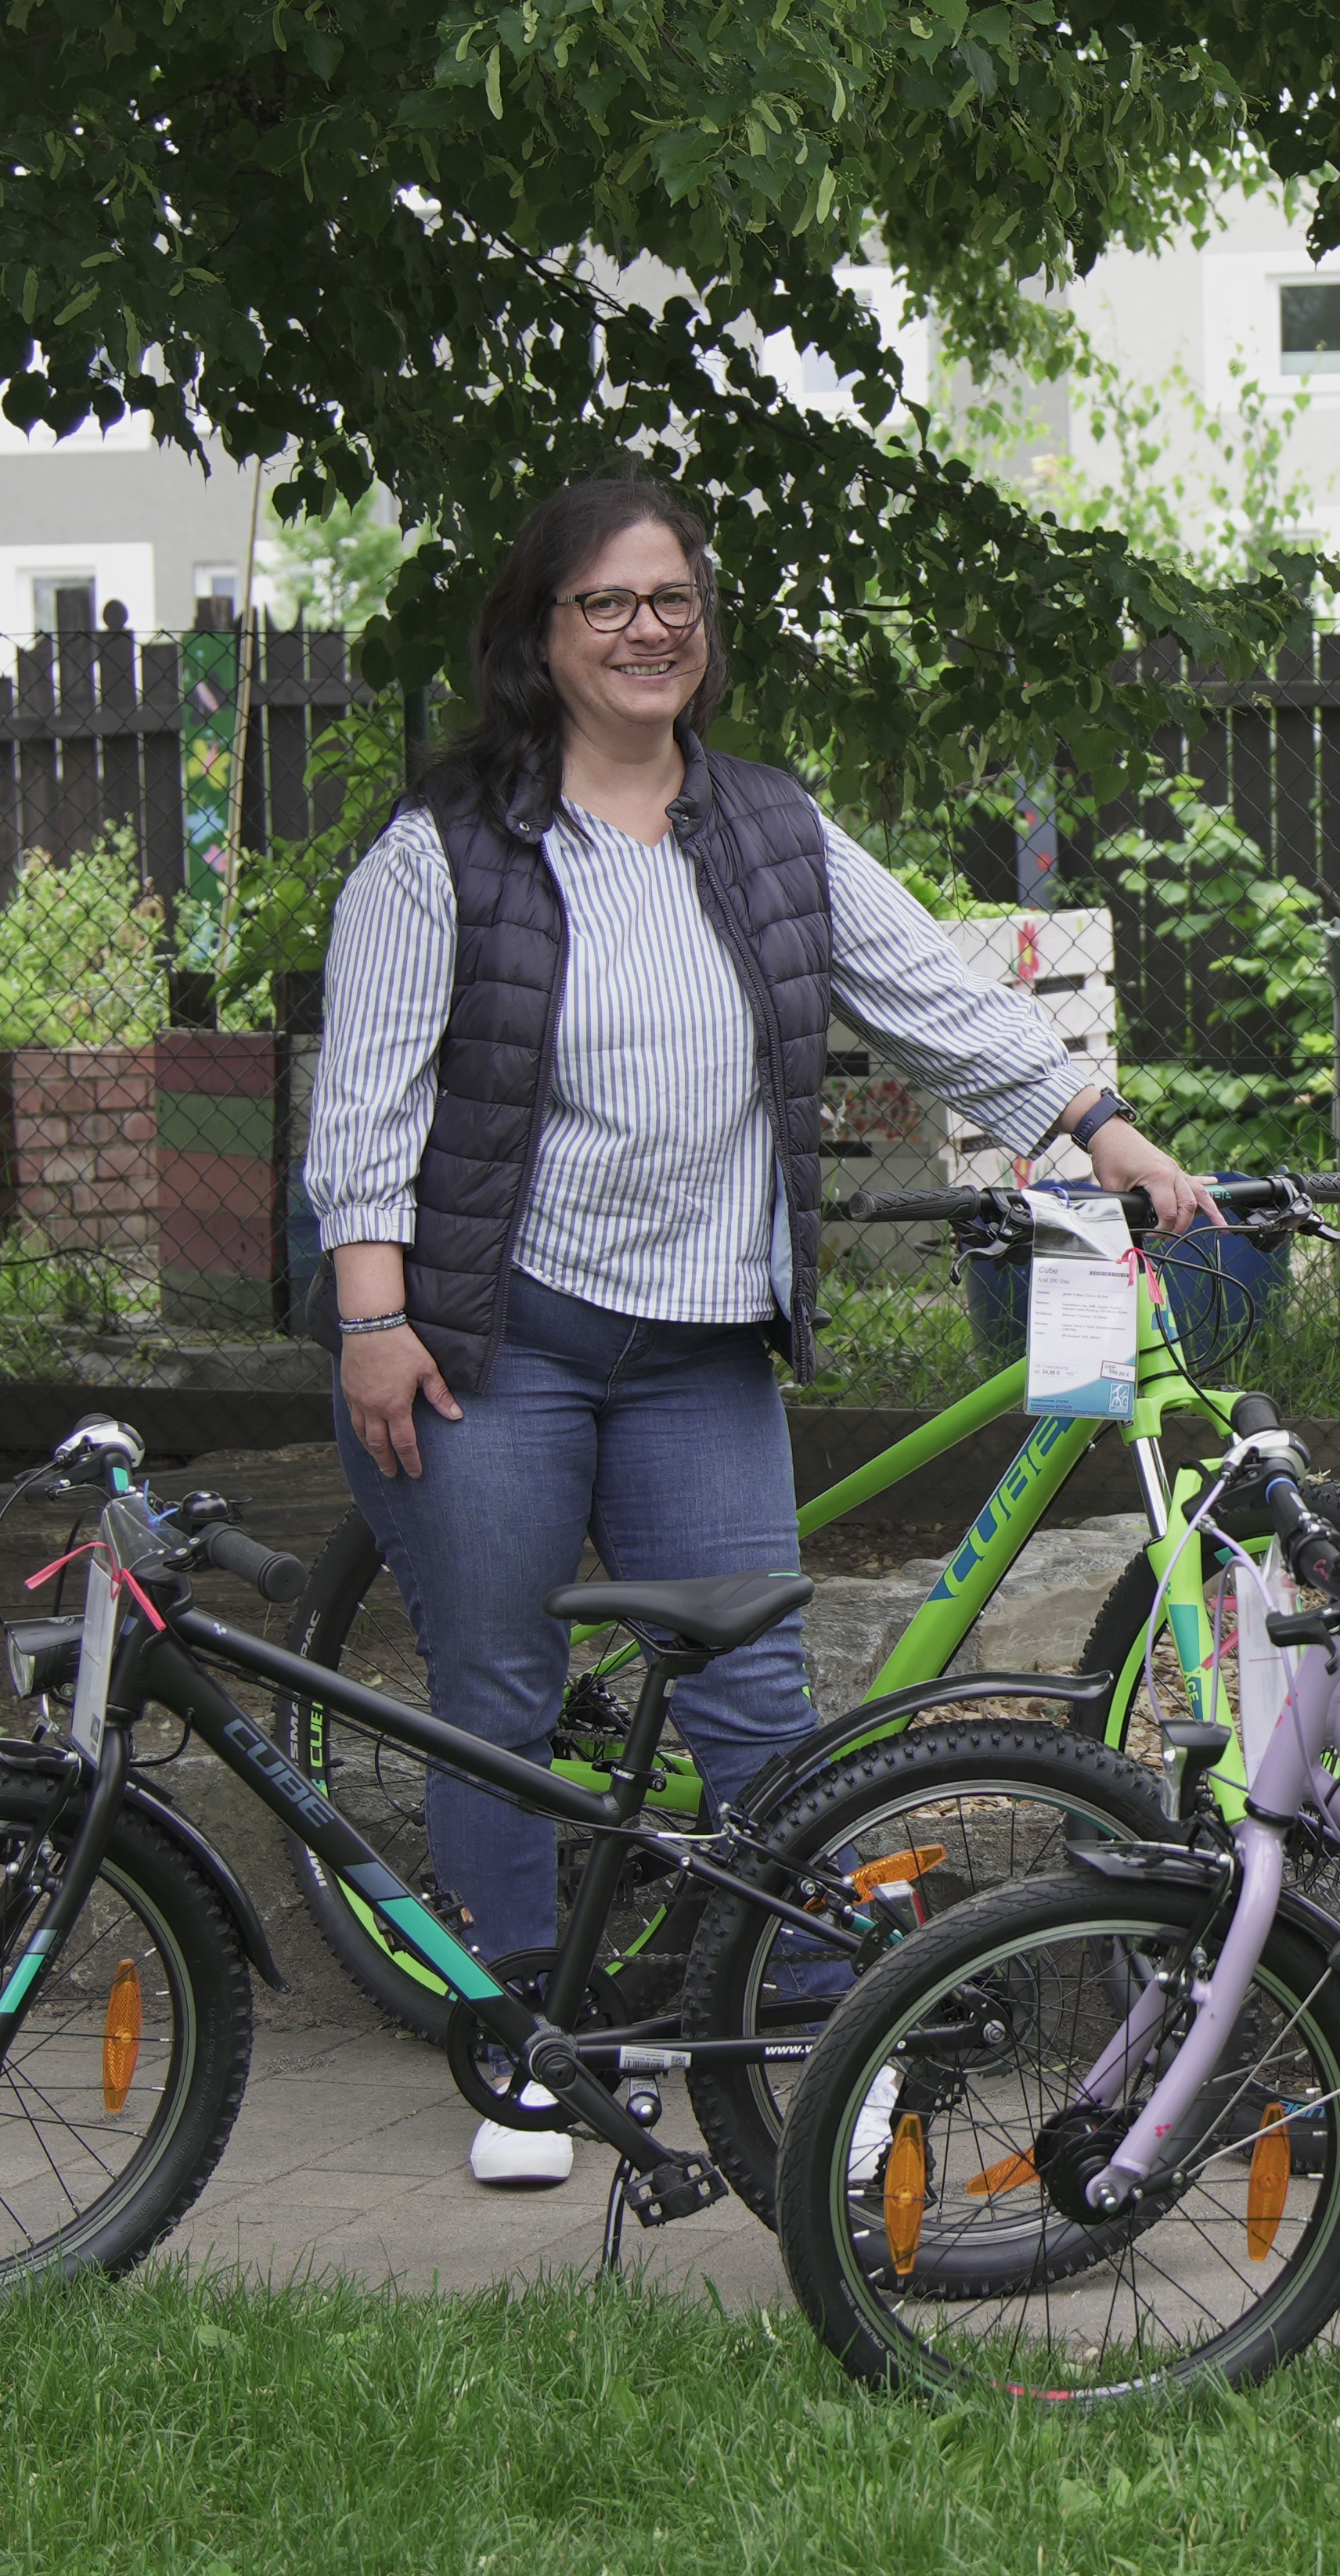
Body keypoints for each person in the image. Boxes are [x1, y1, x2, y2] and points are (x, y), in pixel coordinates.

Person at [305, 475, 1208, 2190]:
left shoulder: (772, 832)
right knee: (497, 1687)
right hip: (494, 1335)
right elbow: (367, 1101)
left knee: (756, 1708)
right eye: (608, 604)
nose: (650, 629)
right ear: (538, 638)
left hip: (702, 1344)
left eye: (674, 600)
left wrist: (1102, 1126)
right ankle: (528, 2046)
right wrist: (370, 1315)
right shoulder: (446, 852)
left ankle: (807, 2027)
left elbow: (936, 995)